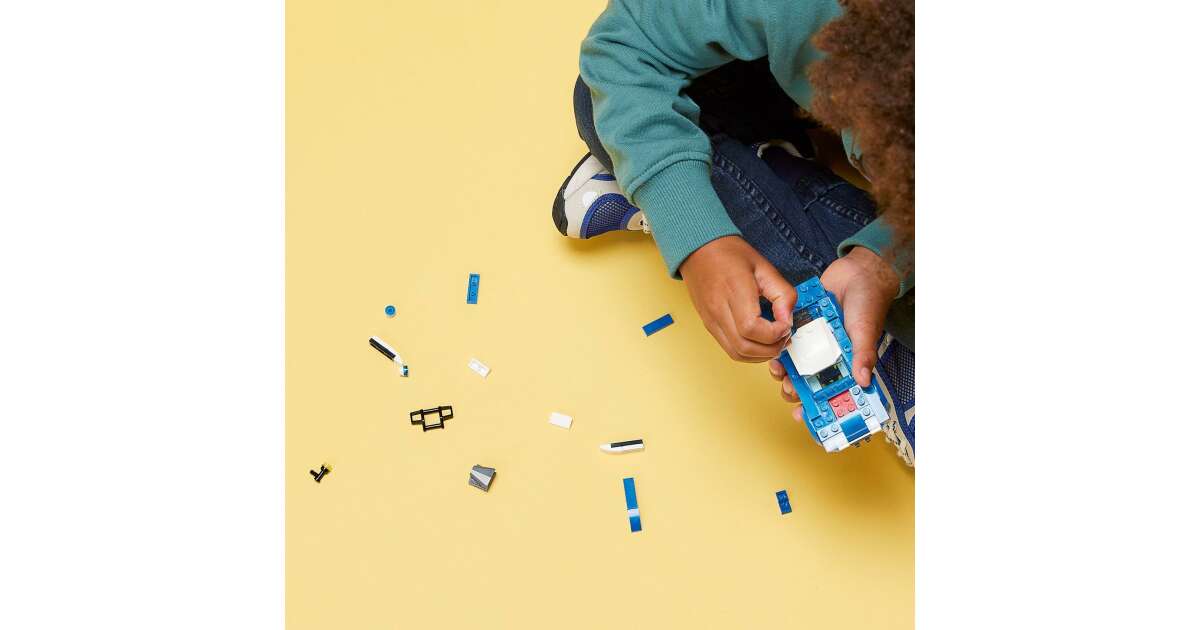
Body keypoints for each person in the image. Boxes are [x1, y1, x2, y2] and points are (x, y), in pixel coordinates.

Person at [551, 0, 915, 465]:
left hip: (808, 83)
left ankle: (749, 170)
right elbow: (624, 51)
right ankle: (686, 173)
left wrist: (882, 261)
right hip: (758, 74)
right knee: (598, 101)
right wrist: (697, 235)